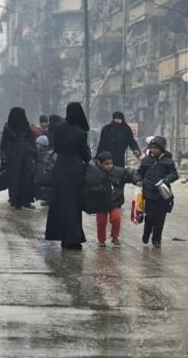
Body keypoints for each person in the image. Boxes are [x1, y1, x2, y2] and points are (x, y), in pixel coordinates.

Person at [46, 103, 92, 250]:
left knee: (60, 202)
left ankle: (61, 235)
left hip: (60, 167)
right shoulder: (80, 132)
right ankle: (73, 238)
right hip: (75, 169)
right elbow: (85, 154)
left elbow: (56, 147)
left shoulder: (59, 129)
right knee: (73, 203)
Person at [137, 137, 178, 247]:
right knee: (149, 217)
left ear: (161, 149)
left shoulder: (168, 162)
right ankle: (146, 233)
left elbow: (174, 174)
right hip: (149, 194)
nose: (153, 150)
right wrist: (138, 180)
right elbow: (139, 173)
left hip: (163, 195)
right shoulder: (146, 161)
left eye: (155, 148)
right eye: (151, 148)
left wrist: (167, 179)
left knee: (160, 219)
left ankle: (156, 240)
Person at [93, 151, 138, 247]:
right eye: (106, 164)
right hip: (100, 203)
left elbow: (130, 175)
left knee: (116, 218)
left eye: (111, 163)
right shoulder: (95, 174)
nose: (109, 166)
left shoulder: (119, 172)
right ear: (100, 164)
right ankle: (101, 240)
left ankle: (115, 237)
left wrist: (137, 181)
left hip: (115, 202)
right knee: (101, 221)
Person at [1, 107, 38, 210]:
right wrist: (3, 157)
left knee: (27, 179)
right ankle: (16, 201)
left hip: (26, 157)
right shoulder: (8, 127)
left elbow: (32, 140)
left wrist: (33, 153)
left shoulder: (26, 127)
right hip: (13, 158)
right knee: (14, 180)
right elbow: (3, 144)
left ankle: (26, 201)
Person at [34, 135, 56, 206]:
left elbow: (56, 162)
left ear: (43, 145)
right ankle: (47, 200)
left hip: (48, 174)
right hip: (42, 175)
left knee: (49, 188)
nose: (36, 145)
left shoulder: (50, 154)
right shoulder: (37, 154)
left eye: (38, 144)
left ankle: (50, 200)